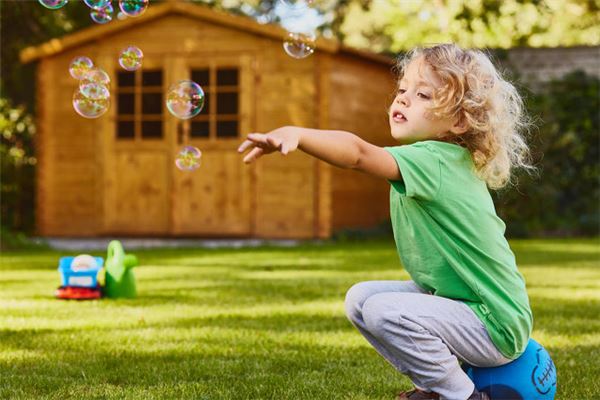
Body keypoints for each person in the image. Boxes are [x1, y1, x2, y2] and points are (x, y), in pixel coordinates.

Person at [237, 43, 535, 400]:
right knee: (361, 299)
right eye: (403, 90)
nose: (404, 99)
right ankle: (433, 386)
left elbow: (359, 154)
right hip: (466, 309)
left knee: (382, 310)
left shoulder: (435, 161)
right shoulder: (437, 159)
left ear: (458, 121)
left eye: (423, 94)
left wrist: (298, 135)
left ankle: (462, 396)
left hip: (493, 324)